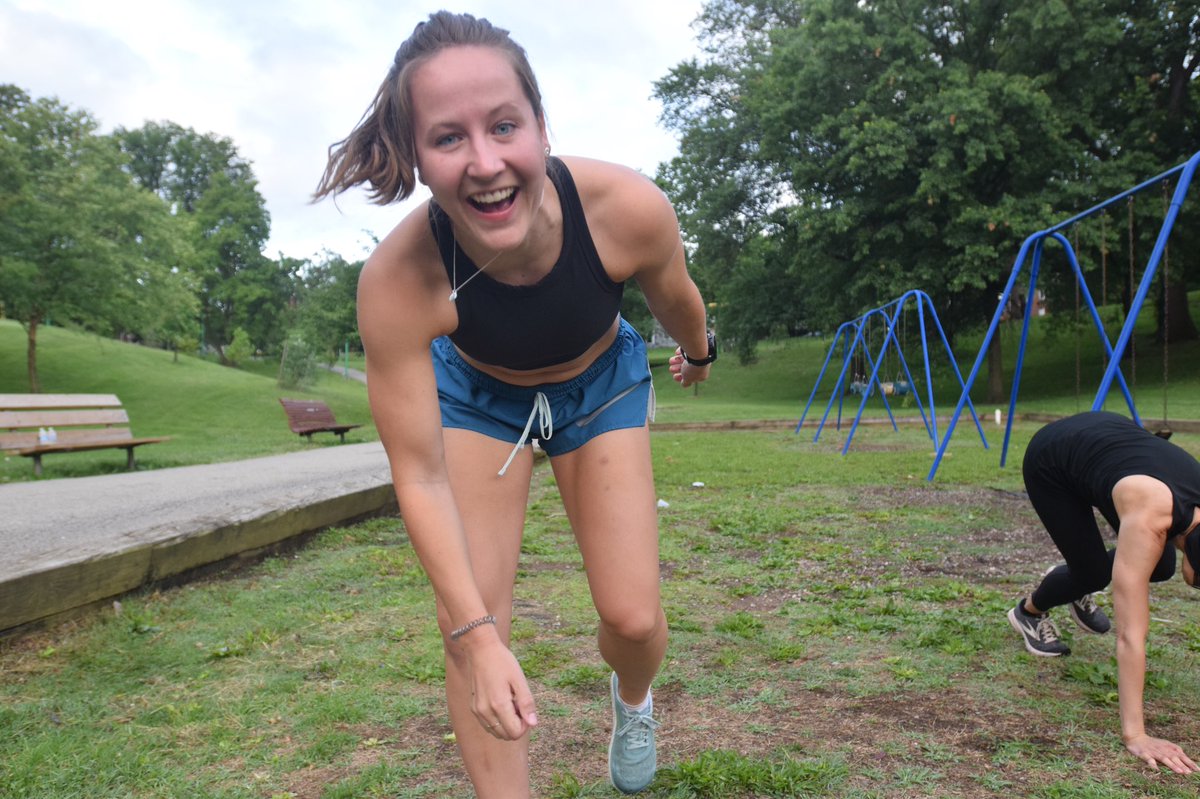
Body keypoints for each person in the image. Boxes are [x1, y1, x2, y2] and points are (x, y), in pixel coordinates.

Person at [312, 11, 714, 797]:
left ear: (540, 124)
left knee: (633, 619)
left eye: (504, 125)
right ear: (418, 156)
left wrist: (698, 354)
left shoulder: (627, 208)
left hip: (599, 384)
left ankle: (633, 700)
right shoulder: (399, 281)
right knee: (471, 631)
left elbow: (680, 300)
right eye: (449, 137)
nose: (486, 162)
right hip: (477, 395)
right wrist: (475, 634)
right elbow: (419, 476)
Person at [1008, 410, 1200, 774]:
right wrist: (1137, 735)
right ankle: (1029, 612)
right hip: (1052, 459)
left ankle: (1075, 580)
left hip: (1105, 433)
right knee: (1093, 573)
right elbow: (1130, 637)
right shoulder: (1148, 519)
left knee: (1159, 566)